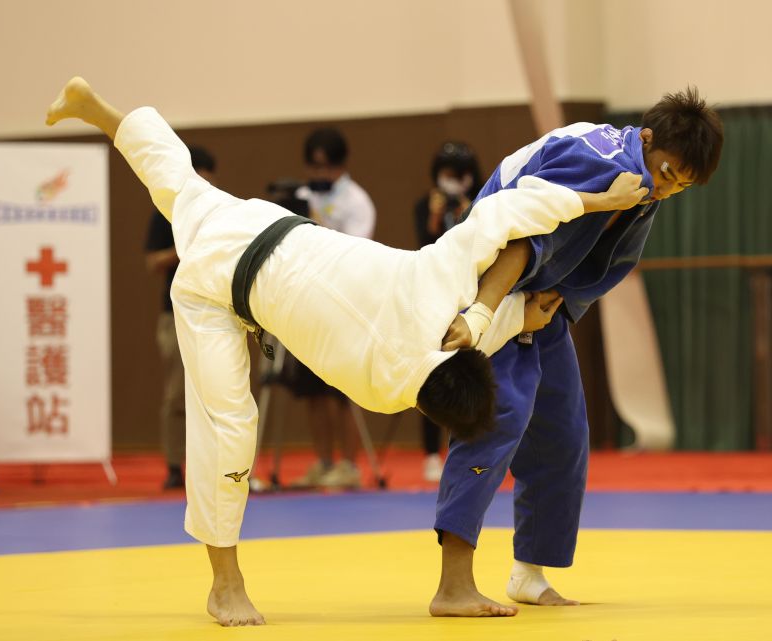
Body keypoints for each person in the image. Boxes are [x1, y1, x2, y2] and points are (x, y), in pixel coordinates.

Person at [45, 76, 647, 626]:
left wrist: (596, 205)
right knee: (227, 425)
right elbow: (455, 351)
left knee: (175, 183)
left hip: (256, 223)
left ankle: (97, 109)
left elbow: (505, 213)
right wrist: (523, 314)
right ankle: (224, 585)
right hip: (218, 290)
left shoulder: (437, 287)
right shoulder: (383, 390)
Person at [430, 87, 724, 617]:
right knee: (500, 417)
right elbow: (521, 227)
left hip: (542, 299)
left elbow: (612, 262)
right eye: (666, 173)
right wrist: (493, 310)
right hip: (488, 284)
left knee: (562, 433)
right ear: (647, 138)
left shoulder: (641, 184)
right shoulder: (595, 156)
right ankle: (453, 584)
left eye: (682, 186)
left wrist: (560, 298)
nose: (667, 189)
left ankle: (529, 572)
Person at [291, 127, 376, 489]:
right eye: (312, 166)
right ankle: (323, 462)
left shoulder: (357, 201)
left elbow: (354, 252)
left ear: (341, 165)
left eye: (324, 167)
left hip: (344, 303)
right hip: (307, 302)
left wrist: (315, 219)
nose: (317, 174)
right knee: (311, 391)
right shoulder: (301, 194)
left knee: (341, 391)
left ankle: (349, 465)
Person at [144, 145, 216, 489]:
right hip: (174, 314)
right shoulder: (166, 211)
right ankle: (175, 465)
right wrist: (185, 246)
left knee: (216, 391)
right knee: (176, 394)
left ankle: (217, 466)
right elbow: (152, 262)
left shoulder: (219, 210)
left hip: (213, 313)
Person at [413, 141, 482, 482]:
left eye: (460, 175)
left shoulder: (483, 203)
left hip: (473, 297)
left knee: (473, 373)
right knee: (431, 373)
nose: (453, 181)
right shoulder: (426, 205)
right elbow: (423, 245)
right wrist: (436, 215)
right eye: (448, 174)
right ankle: (430, 453)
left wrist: (470, 210)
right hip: (434, 298)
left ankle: (473, 446)